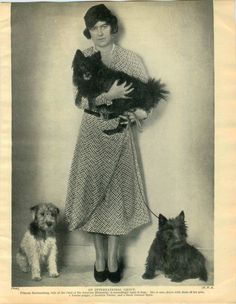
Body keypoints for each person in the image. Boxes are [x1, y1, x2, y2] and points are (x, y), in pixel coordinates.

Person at [65, 4, 151, 283]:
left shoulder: (130, 59)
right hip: (91, 132)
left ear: (112, 27)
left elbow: (149, 97)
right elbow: (80, 100)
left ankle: (113, 259)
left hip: (119, 133)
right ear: (88, 32)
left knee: (115, 198)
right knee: (93, 197)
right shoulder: (83, 57)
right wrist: (108, 95)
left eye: (103, 26)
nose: (99, 32)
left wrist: (140, 112)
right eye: (94, 28)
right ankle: (99, 257)